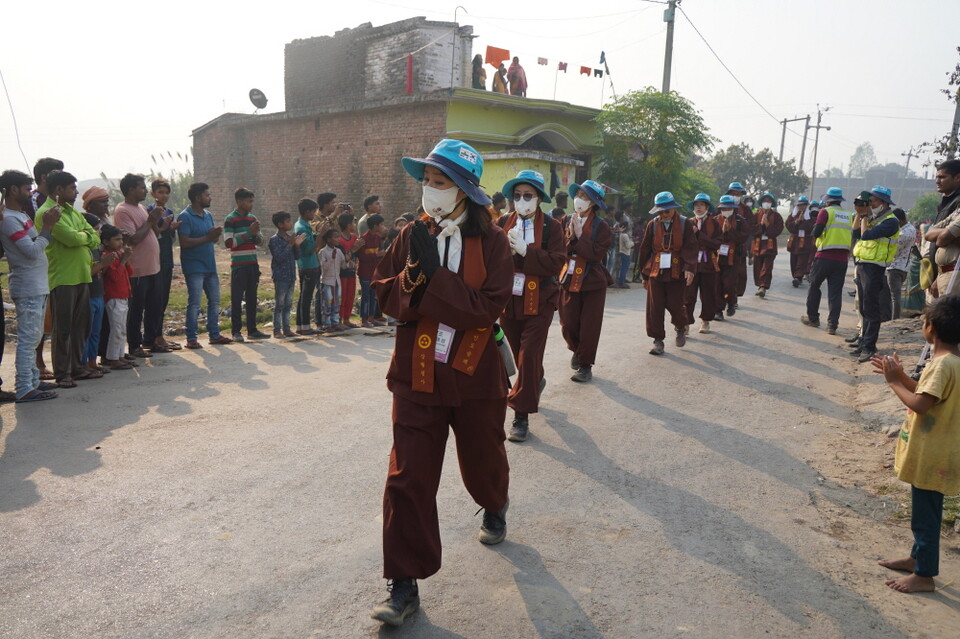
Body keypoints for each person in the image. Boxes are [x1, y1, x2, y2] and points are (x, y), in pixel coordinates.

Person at [370, 139, 511, 627]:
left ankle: (494, 504)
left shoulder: (494, 243)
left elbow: (487, 309)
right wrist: (415, 273)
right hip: (418, 373)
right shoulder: (412, 234)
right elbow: (382, 294)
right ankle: (403, 584)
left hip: (475, 375)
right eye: (426, 181)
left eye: (440, 182)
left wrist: (435, 281)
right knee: (406, 477)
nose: (429, 191)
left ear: (465, 191)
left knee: (483, 459)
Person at [871, 295, 960, 593]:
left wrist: (894, 383)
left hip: (932, 453)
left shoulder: (942, 365)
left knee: (925, 516)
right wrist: (899, 376)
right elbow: (929, 396)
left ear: (930, 328)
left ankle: (924, 575)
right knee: (925, 511)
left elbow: (921, 405)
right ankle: (916, 558)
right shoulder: (952, 362)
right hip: (940, 451)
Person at [497, 170, 565, 442]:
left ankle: (520, 416)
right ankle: (535, 380)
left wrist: (528, 252)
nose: (521, 200)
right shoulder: (503, 222)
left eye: (528, 195)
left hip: (541, 299)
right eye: (517, 195)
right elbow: (491, 261)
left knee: (528, 355)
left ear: (539, 199)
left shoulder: (553, 227)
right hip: (510, 300)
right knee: (520, 354)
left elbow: (556, 261)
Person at [35, 170, 102, 387]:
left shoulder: (71, 212)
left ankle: (77, 368)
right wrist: (86, 236)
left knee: (80, 326)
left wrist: (85, 237)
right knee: (62, 328)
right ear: (58, 190)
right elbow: (73, 238)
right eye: (72, 188)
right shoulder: (47, 213)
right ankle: (62, 373)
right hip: (63, 277)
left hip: (82, 274)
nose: (75, 192)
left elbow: (92, 235)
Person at [0, 169, 60, 402]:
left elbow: (35, 245)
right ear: (13, 189)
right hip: (28, 287)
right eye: (27, 188)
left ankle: (33, 380)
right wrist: (47, 228)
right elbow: (32, 251)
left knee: (35, 337)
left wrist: (45, 231)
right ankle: (24, 387)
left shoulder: (21, 216)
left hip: (36, 285)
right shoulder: (10, 220)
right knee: (27, 340)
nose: (30, 193)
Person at [559, 180, 613, 381]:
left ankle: (585, 365)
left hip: (592, 280)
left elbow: (596, 254)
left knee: (590, 324)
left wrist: (578, 239)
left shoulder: (602, 227)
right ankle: (576, 349)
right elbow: (558, 249)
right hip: (569, 277)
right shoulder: (565, 220)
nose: (579, 200)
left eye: (585, 197)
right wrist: (569, 240)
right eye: (579, 195)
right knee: (568, 322)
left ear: (594, 203)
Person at [637, 191, 697, 355]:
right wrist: (644, 275)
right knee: (655, 307)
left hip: (677, 271)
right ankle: (658, 341)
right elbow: (645, 250)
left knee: (675, 304)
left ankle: (680, 327)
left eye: (667, 211)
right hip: (656, 271)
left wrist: (690, 269)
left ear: (674, 209)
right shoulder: (653, 225)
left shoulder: (686, 224)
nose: (664, 214)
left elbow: (691, 247)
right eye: (660, 211)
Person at [114, 173, 164, 358]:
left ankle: (150, 341)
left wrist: (157, 220)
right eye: (141, 187)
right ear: (130, 190)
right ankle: (135, 345)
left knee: (154, 306)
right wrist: (150, 220)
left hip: (153, 268)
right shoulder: (122, 211)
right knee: (136, 310)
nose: (145, 190)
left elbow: (153, 231)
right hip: (138, 270)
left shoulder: (142, 208)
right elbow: (133, 238)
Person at [177, 183, 232, 349]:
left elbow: (212, 239)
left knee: (214, 301)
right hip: (194, 266)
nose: (210, 198)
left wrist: (215, 235)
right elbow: (185, 242)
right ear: (197, 197)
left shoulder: (208, 215)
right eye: (207, 195)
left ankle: (214, 335)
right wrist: (208, 237)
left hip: (209, 265)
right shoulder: (185, 216)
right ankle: (191, 338)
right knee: (195, 303)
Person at [850, 186, 900, 363]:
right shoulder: (875, 217)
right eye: (868, 201)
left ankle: (870, 347)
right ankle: (864, 342)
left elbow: (865, 236)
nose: (870, 204)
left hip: (875, 268)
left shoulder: (890, 221)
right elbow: (855, 232)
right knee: (864, 307)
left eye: (873, 201)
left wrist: (865, 216)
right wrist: (859, 213)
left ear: (883, 203)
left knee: (871, 309)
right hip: (864, 265)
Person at [802, 187, 852, 335]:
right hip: (842, 259)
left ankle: (813, 318)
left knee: (814, 286)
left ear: (828, 200)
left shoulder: (825, 212)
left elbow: (816, 232)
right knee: (835, 293)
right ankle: (832, 325)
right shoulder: (849, 215)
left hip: (824, 257)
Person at [224, 187, 269, 342]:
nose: (251, 204)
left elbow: (261, 241)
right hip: (239, 265)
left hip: (252, 263)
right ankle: (236, 331)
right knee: (237, 299)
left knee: (252, 298)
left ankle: (252, 330)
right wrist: (249, 233)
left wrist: (256, 235)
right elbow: (229, 243)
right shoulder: (230, 219)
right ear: (239, 201)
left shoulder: (252, 219)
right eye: (249, 201)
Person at [148, 178, 182, 351]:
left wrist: (172, 228)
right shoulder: (149, 211)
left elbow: (169, 237)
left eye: (167, 192)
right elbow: (151, 234)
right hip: (154, 260)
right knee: (155, 299)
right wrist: (162, 227)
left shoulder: (169, 211)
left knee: (164, 298)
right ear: (153, 194)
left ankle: (159, 335)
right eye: (160, 192)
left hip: (167, 258)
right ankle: (153, 336)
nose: (164, 195)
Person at [684, 193, 721, 334]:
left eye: (701, 205)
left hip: (708, 264)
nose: (698, 207)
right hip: (691, 264)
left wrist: (699, 235)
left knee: (708, 294)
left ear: (707, 207)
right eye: (696, 205)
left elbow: (717, 243)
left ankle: (706, 321)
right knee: (688, 295)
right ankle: (686, 323)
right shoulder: (688, 222)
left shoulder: (715, 223)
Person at [81, 212, 113, 374]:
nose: (98, 233)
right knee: (86, 332)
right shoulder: (84, 250)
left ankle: (93, 361)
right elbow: (87, 273)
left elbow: (102, 270)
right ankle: (83, 363)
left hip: (99, 293)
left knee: (96, 331)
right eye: (95, 229)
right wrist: (102, 264)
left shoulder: (97, 249)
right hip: (89, 294)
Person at [101, 225, 134, 369]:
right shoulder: (108, 257)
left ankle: (120, 355)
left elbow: (130, 272)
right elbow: (114, 276)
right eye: (117, 239)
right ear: (106, 241)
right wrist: (122, 260)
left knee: (122, 328)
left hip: (123, 295)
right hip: (114, 296)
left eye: (121, 239)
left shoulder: (119, 254)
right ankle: (113, 358)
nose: (120, 242)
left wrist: (126, 259)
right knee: (116, 329)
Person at [712, 195, 749, 321]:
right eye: (724, 208)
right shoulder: (715, 220)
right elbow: (712, 238)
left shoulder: (740, 221)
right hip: (718, 256)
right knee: (717, 284)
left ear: (733, 208)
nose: (726, 210)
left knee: (730, 283)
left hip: (734, 257)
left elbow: (743, 238)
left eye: (729, 208)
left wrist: (730, 231)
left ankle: (731, 303)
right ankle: (718, 310)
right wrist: (722, 233)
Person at [269, 211, 305, 338]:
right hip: (281, 276)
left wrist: (296, 245)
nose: (291, 223)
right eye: (288, 221)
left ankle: (287, 328)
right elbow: (279, 257)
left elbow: (296, 256)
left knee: (288, 304)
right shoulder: (274, 240)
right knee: (279, 304)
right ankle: (277, 330)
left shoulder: (289, 238)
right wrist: (290, 244)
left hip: (290, 275)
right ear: (280, 224)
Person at [924, 196, 960, 299]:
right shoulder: (957, 211)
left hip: (955, 274)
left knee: (950, 312)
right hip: (944, 272)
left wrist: (946, 236)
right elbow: (928, 234)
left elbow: (941, 240)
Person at [749, 193, 784, 298]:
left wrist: (768, 225)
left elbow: (778, 230)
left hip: (770, 245)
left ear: (772, 203)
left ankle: (763, 287)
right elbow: (751, 229)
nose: (767, 203)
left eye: (769, 201)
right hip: (757, 245)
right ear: (761, 203)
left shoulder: (777, 216)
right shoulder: (755, 215)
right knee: (757, 267)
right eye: (765, 201)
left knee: (767, 267)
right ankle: (759, 285)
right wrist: (761, 225)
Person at [295, 198, 321, 335]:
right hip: (308, 265)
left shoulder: (305, 225)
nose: (314, 215)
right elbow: (310, 249)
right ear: (307, 212)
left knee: (304, 296)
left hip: (309, 265)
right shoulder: (301, 228)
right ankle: (305, 326)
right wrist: (321, 236)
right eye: (313, 212)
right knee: (306, 297)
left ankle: (301, 325)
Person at [725, 182, 754, 302]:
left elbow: (749, 229)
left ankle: (734, 298)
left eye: (738, 194)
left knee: (739, 274)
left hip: (739, 247)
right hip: (722, 248)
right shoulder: (720, 209)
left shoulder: (746, 210)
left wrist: (746, 246)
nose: (736, 196)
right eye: (733, 194)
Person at [887, 208, 916, 319]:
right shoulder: (911, 229)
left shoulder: (903, 233)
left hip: (895, 266)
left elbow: (894, 252)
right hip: (903, 266)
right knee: (895, 295)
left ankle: (894, 319)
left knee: (894, 296)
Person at [358, 214, 386, 327]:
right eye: (381, 225)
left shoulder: (378, 239)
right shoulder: (363, 239)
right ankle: (364, 319)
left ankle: (371, 318)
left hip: (374, 272)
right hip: (365, 272)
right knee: (365, 297)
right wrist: (377, 254)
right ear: (375, 226)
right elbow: (362, 257)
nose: (383, 227)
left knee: (373, 296)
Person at [337, 213, 365, 328]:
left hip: (352, 270)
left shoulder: (353, 237)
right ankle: (339, 319)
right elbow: (344, 257)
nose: (354, 225)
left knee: (350, 295)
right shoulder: (339, 240)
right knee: (342, 296)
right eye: (353, 223)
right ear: (348, 225)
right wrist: (354, 248)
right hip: (342, 272)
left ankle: (347, 319)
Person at [785, 195, 816, 287]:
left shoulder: (810, 216)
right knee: (793, 260)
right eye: (800, 205)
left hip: (805, 241)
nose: (802, 207)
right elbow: (788, 226)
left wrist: (803, 222)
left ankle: (798, 277)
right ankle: (795, 275)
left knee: (802, 260)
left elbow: (812, 227)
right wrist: (797, 222)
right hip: (794, 241)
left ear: (806, 206)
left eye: (804, 205)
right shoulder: (793, 215)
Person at [319, 228, 345, 332]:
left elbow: (343, 265)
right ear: (329, 239)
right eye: (336, 237)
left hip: (337, 281)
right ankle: (326, 324)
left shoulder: (338, 251)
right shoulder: (323, 252)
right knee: (327, 303)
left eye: (338, 237)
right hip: (327, 281)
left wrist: (348, 261)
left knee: (336, 303)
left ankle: (335, 323)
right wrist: (332, 259)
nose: (338, 239)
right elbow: (323, 268)